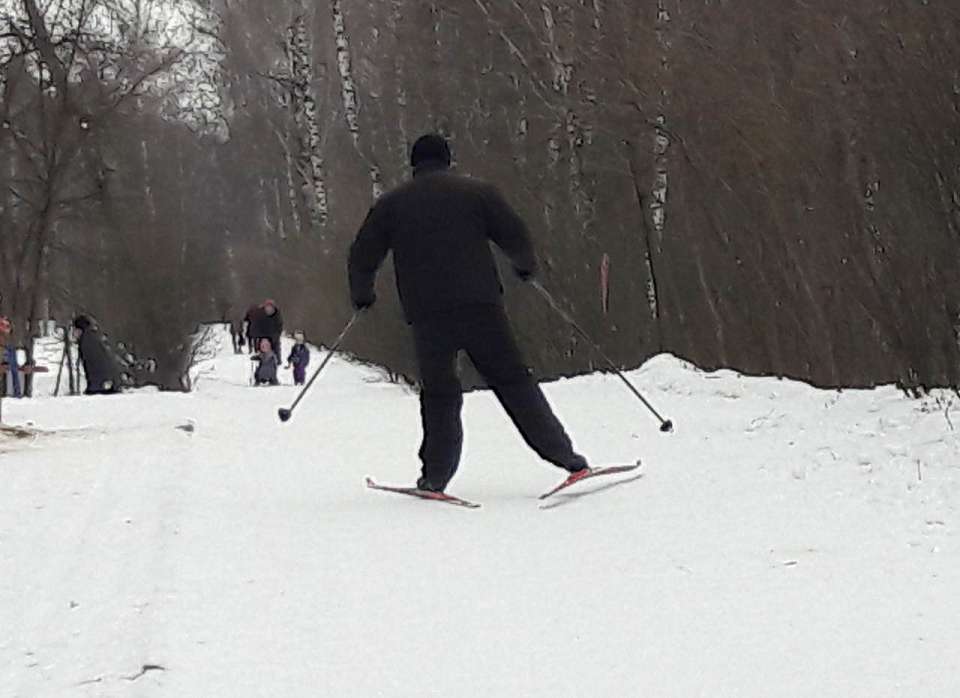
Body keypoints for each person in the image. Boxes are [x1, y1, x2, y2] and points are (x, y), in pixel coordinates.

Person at [347, 133, 590, 493]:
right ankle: (568, 460)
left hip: (427, 313)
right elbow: (514, 232)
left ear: (414, 164)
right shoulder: (476, 193)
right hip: (481, 305)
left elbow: (362, 254)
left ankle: (435, 478)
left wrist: (363, 295)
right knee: (514, 383)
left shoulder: (391, 204)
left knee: (440, 394)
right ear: (448, 160)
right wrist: (524, 266)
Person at [73, 315, 122, 395]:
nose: (74, 333)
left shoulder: (87, 340)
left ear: (80, 329)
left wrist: (94, 386)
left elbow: (93, 364)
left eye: (75, 329)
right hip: (108, 381)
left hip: (101, 384)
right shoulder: (93, 336)